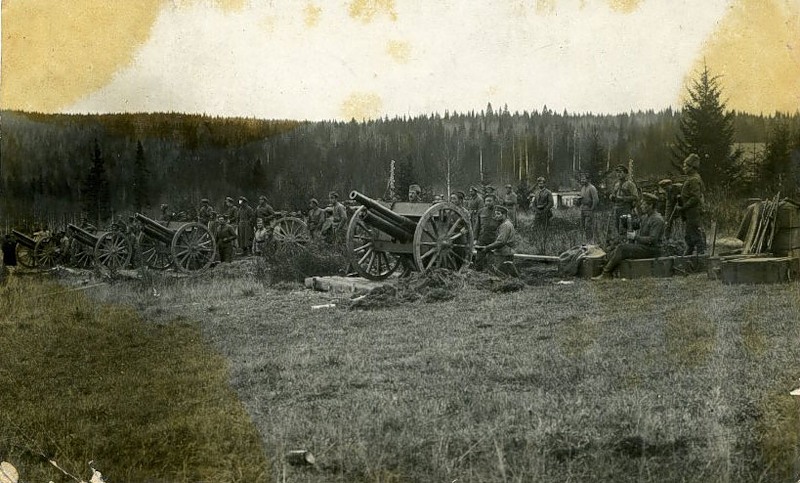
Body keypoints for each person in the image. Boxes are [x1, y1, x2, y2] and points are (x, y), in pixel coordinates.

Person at [593, 193, 664, 280]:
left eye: (643, 204)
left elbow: (653, 240)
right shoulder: (646, 217)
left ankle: (606, 273)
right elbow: (636, 225)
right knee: (616, 248)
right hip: (644, 247)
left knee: (622, 248)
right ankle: (606, 269)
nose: (641, 206)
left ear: (651, 205)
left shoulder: (657, 219)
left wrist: (635, 237)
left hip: (652, 250)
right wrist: (626, 222)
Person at [475, 205, 518, 276]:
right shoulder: (507, 223)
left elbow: (501, 242)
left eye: (498, 214)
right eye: (495, 214)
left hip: (504, 254)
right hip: (506, 252)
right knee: (505, 274)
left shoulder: (505, 225)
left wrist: (487, 248)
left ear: (504, 215)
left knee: (500, 275)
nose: (496, 216)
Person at [676, 153, 706, 255]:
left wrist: (683, 207)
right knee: (689, 234)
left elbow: (695, 197)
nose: (683, 168)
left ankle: (701, 256)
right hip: (690, 212)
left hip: (693, 212)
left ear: (691, 167)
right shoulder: (692, 178)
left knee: (695, 234)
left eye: (685, 166)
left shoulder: (694, 179)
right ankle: (689, 253)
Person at [609, 164, 639, 237]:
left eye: (620, 172)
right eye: (617, 172)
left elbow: (635, 197)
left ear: (625, 174)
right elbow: (614, 195)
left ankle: (626, 240)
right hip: (617, 208)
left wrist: (623, 198)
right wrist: (612, 197)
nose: (618, 174)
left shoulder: (630, 184)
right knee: (617, 227)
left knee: (626, 227)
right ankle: (619, 240)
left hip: (626, 208)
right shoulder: (616, 184)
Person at [473, 193, 501, 270]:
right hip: (482, 238)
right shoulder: (481, 211)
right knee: (479, 259)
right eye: (486, 201)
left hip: (494, 239)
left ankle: (490, 274)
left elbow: (503, 226)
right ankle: (478, 273)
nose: (488, 203)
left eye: (490, 201)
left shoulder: (499, 212)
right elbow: (477, 226)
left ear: (494, 201)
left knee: (492, 260)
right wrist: (475, 239)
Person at [577, 173, 599, 243]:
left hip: (589, 209)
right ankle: (585, 241)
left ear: (588, 179)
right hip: (583, 209)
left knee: (588, 226)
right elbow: (582, 197)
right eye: (581, 179)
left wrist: (592, 209)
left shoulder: (592, 188)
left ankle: (590, 241)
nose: (582, 180)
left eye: (584, 179)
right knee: (583, 226)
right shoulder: (583, 188)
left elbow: (596, 200)